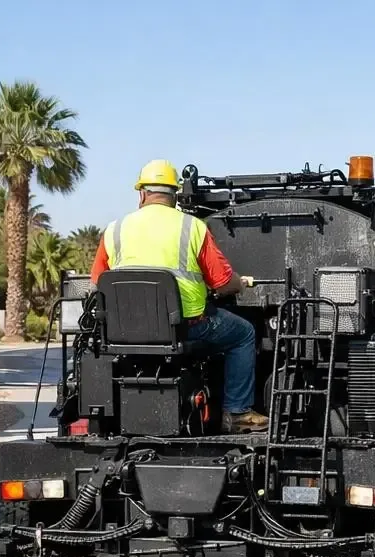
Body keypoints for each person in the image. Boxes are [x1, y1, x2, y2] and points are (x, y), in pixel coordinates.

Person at [90, 160, 268, 433]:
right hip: (188, 328)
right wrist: (240, 284)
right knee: (243, 334)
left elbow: (97, 283)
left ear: (142, 194)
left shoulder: (115, 229)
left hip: (123, 333)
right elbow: (222, 283)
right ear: (174, 197)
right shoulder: (192, 227)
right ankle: (237, 412)